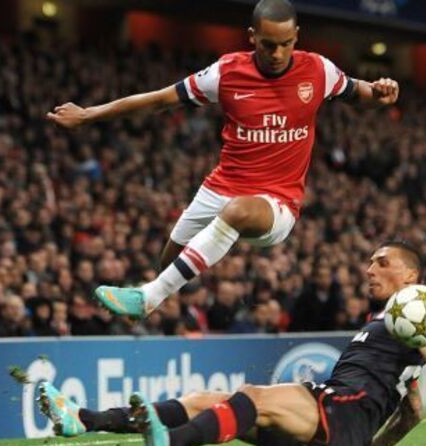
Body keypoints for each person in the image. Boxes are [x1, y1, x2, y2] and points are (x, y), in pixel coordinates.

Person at [46, 0, 400, 319]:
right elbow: (159, 100)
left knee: (237, 213)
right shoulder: (226, 73)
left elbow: (360, 93)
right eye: (268, 44)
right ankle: (150, 317)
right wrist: (89, 114)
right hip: (222, 186)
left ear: (296, 36)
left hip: (277, 201)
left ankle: (148, 298)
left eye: (286, 43)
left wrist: (381, 91)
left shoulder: (318, 70)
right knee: (168, 264)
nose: (278, 53)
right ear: (252, 36)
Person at [35, 241, 426, 446]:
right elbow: (413, 411)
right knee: (206, 401)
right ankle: (85, 420)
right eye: (369, 262)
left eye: (381, 262)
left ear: (411, 276)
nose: (369, 269)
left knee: (253, 397)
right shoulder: (391, 324)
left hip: (342, 412)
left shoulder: (417, 313)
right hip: (340, 429)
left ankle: (171, 444)